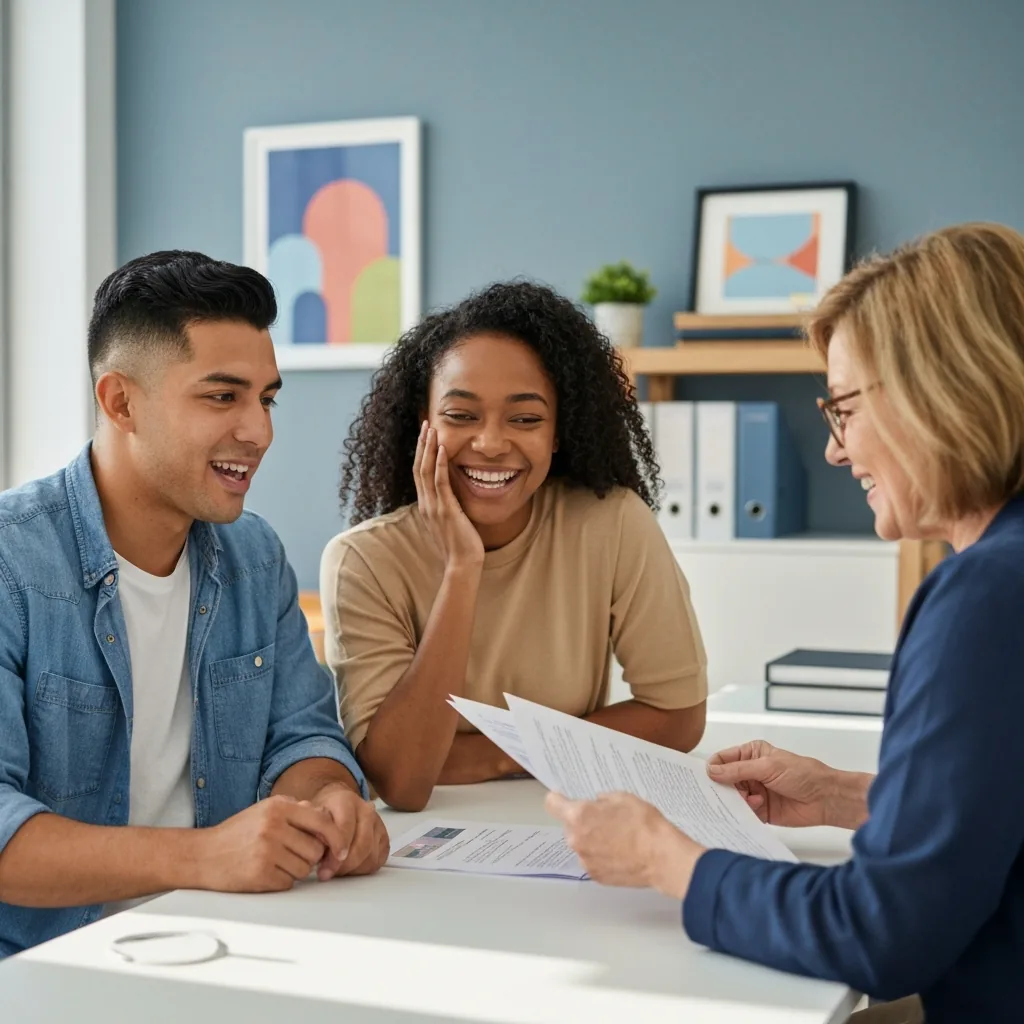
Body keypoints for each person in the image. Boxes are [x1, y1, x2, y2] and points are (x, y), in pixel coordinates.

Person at [546, 222, 1024, 1024]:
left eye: (843, 409)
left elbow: (878, 933)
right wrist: (848, 797)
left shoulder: (986, 596)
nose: (836, 453)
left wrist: (667, 859)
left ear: (936, 390)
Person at [0, 251, 389, 959]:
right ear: (120, 401)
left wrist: (329, 799)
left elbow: (301, 736)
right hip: (47, 971)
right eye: (222, 397)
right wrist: (203, 855)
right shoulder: (11, 563)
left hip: (229, 945)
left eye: (266, 398)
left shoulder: (254, 557)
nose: (260, 432)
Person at [321, 281, 707, 811]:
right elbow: (403, 781)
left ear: (557, 432)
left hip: (569, 816)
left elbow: (678, 716)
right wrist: (462, 567)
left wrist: (499, 753)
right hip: (429, 850)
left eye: (525, 418)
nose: (492, 443)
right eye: (462, 416)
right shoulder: (363, 561)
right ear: (423, 423)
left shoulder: (612, 524)